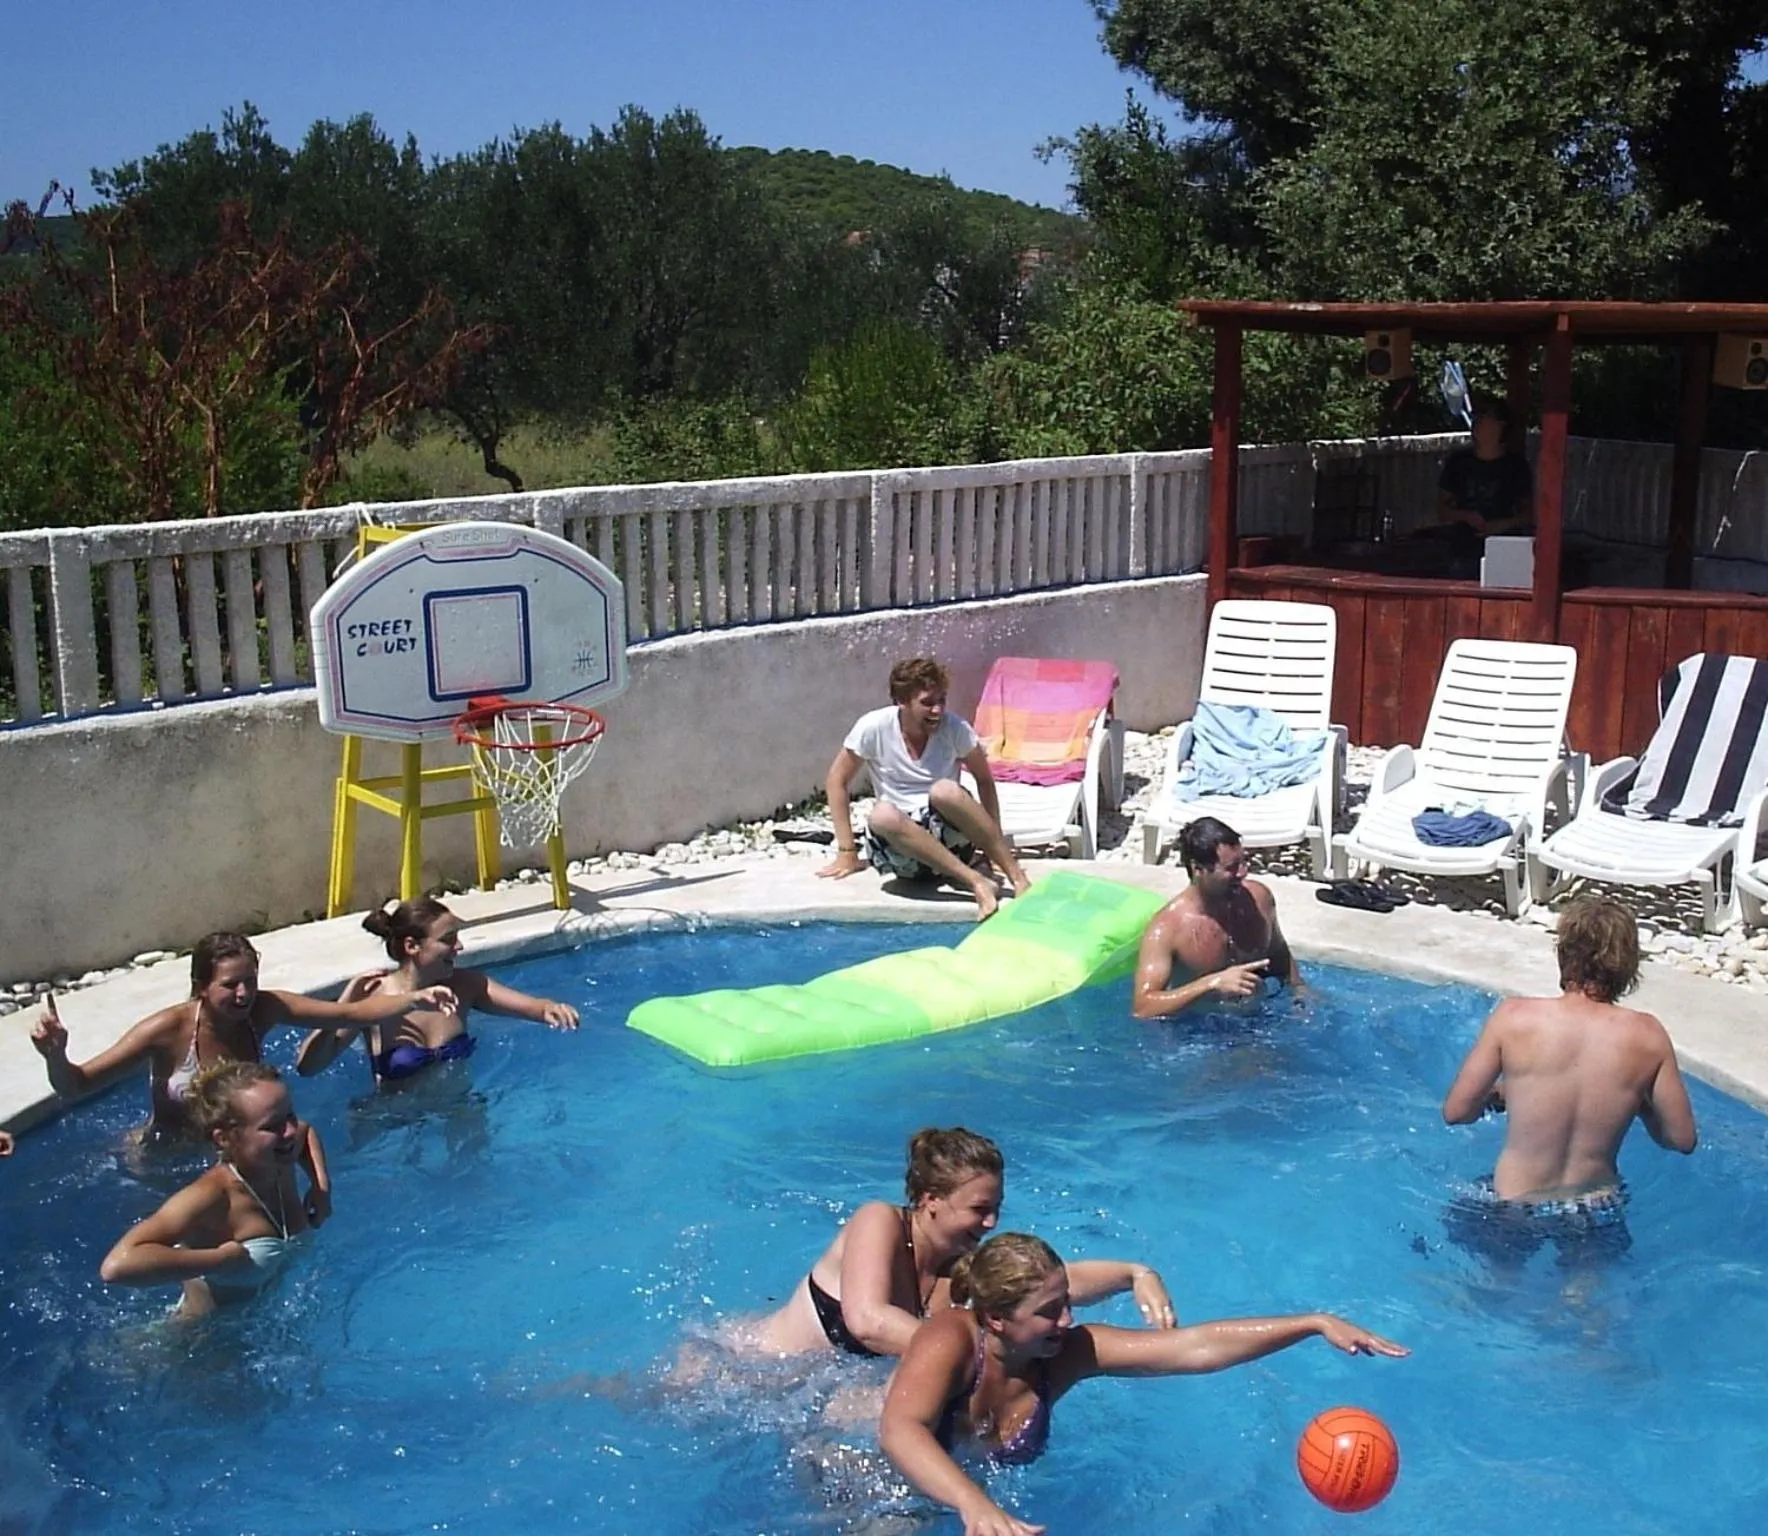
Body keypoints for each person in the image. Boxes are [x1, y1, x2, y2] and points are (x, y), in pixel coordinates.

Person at [879, 1232, 1406, 1535]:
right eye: (1048, 1311)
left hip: (965, 1496)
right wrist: (974, 1504)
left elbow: (1195, 1348)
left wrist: (1311, 1323)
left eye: (1066, 1301)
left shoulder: (1064, 1356)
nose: (1067, 1319)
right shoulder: (951, 1336)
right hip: (867, 1477)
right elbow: (901, 1430)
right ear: (995, 1319)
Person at [740, 1128, 1174, 1359]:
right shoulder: (879, 1222)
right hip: (740, 1370)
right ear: (931, 1200)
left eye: (996, 1207)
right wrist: (979, 1358)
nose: (992, 1221)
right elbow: (868, 1321)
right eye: (979, 1209)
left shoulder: (962, 1266)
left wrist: (1134, 1274)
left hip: (814, 1398)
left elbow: (1043, 1287)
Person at [1441, 898, 1697, 1261]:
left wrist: (1506, 1094)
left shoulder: (1514, 1017)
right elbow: (1681, 1139)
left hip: (1516, 1198)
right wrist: (1637, 1102)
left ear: (1564, 954)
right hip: (1594, 1206)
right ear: (1628, 965)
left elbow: (1456, 1112)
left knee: (1493, 1292)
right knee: (1587, 1305)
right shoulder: (1648, 1035)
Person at [30, 931, 457, 1149]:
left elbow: (348, 1014)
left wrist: (413, 998)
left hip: (232, 1152)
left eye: (250, 981)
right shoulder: (167, 1031)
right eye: (230, 985)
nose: (243, 994)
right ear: (201, 986)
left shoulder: (263, 1009)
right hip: (166, 1156)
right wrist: (56, 1055)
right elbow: (77, 1086)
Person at [99, 1062, 318, 1318]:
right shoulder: (211, 1196)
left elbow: (307, 1131)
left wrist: (320, 1186)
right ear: (224, 1138)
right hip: (202, 1344)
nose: (290, 1131)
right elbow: (116, 1267)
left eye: (289, 1116)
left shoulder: (279, 1157)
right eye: (272, 1126)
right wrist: (219, 1260)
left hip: (265, 1326)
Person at [818, 658, 1031, 920]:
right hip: (903, 853)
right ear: (902, 701)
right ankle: (976, 881)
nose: (937, 710)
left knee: (946, 790)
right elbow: (837, 781)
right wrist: (847, 852)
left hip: (951, 839)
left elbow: (984, 780)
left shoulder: (955, 729)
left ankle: (1018, 878)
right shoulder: (873, 728)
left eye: (942, 700)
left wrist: (994, 846)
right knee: (881, 814)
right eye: (927, 703)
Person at [294, 898, 579, 1084]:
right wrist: (343, 1007)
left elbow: (535, 1007)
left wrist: (552, 1009)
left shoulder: (466, 986)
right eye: (448, 940)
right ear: (412, 946)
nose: (460, 947)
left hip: (462, 1116)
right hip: (397, 1128)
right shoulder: (375, 999)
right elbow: (308, 1067)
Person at [1132, 817, 1301, 1018]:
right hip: (1199, 1029)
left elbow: (1279, 953)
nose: (1243, 873)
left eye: (1243, 862)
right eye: (1231, 868)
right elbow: (1142, 1007)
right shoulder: (1167, 930)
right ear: (1198, 869)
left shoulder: (1259, 900)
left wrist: (1300, 992)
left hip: (1258, 1015)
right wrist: (1211, 983)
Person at [1435, 396, 1533, 579]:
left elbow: (1529, 514)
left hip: (1505, 552)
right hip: (1463, 551)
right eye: (1476, 416)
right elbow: (1442, 510)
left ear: (1500, 425)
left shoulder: (1515, 466)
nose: (1477, 422)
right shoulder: (1458, 463)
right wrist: (1466, 516)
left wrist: (1501, 525)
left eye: (1484, 416)